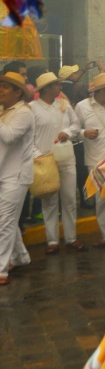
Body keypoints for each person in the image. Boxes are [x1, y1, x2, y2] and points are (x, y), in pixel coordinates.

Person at [31, 71, 85, 254]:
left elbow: (76, 125)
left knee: (69, 199)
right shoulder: (32, 108)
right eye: (56, 85)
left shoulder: (63, 105)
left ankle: (72, 238)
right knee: (50, 201)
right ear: (46, 89)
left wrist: (68, 133)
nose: (60, 88)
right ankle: (52, 241)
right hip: (45, 161)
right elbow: (28, 138)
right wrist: (37, 155)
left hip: (66, 158)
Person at [75, 71, 105, 247]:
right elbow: (74, 130)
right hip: (94, 161)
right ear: (103, 90)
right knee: (101, 201)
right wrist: (84, 133)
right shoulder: (82, 107)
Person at [0, 72, 34, 285]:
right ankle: (21, 257)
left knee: (3, 222)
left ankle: (1, 269)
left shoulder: (24, 112)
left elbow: (9, 136)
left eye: (5, 87)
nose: (1, 90)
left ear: (18, 92)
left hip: (17, 175)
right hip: (4, 173)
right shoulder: (5, 112)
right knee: (7, 220)